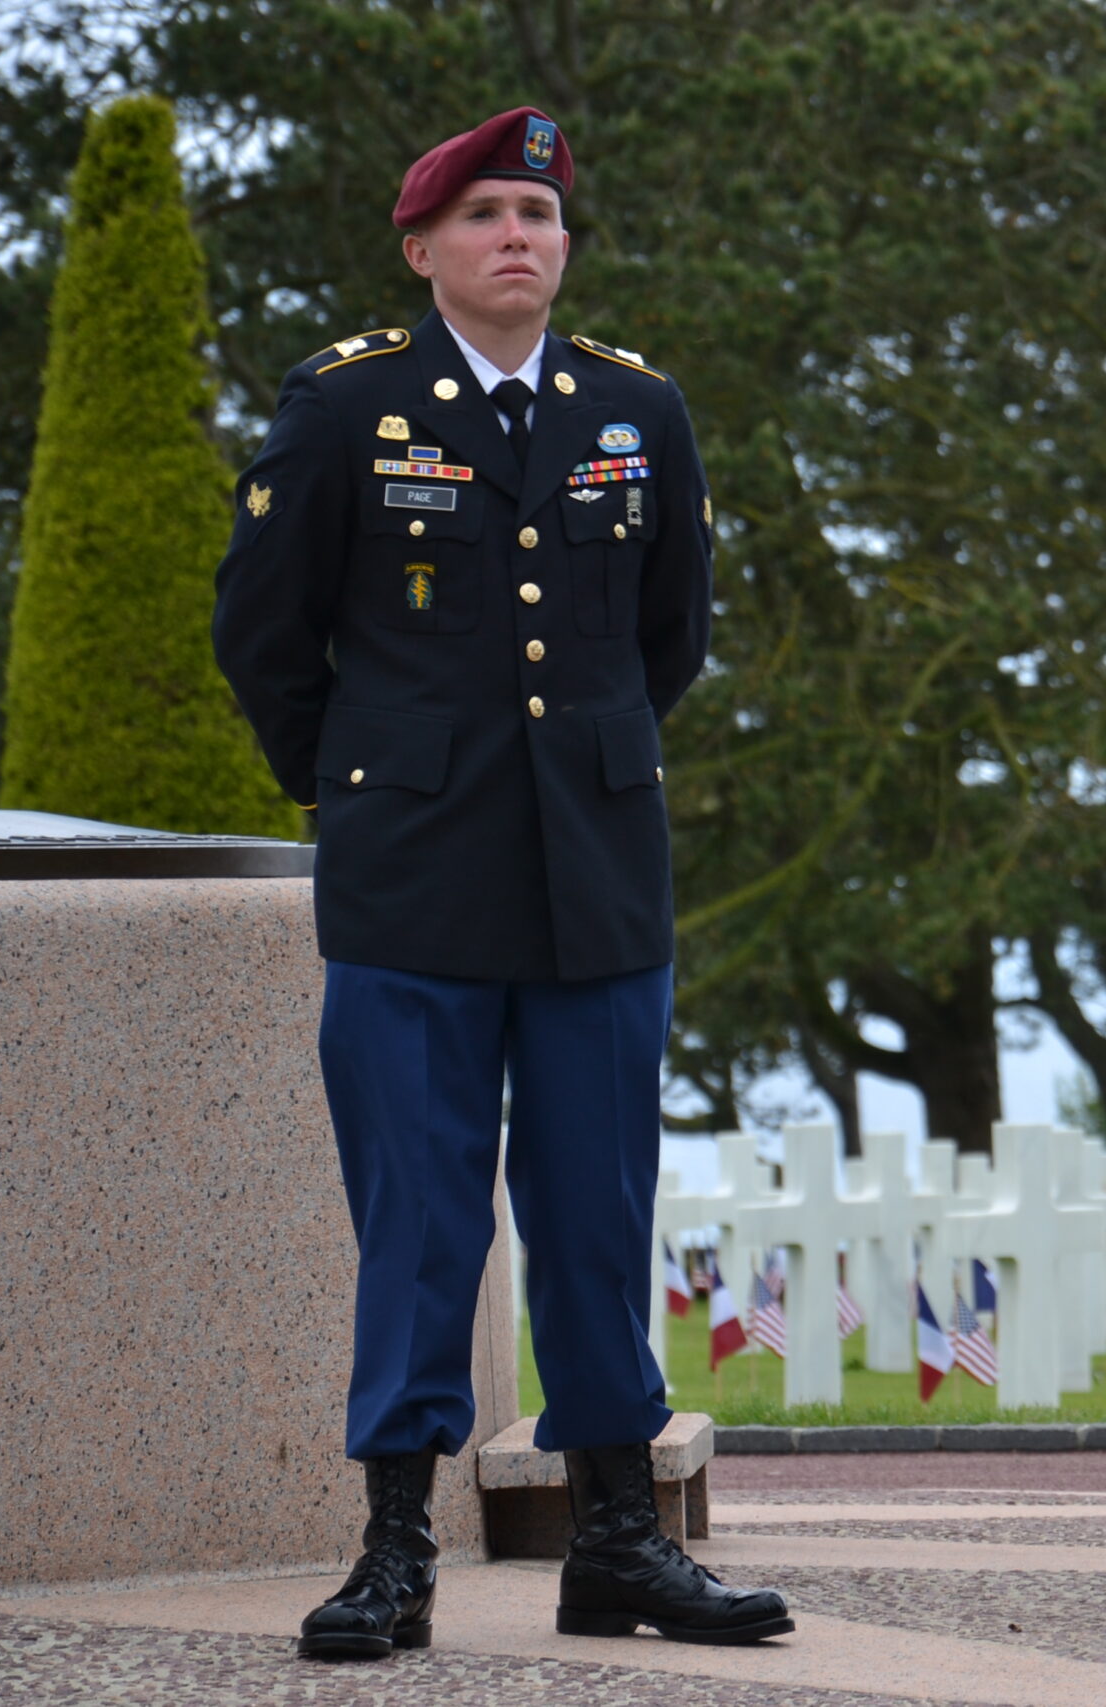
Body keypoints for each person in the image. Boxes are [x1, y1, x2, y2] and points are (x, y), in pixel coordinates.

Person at [214, 105, 791, 1660]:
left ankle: (617, 1543)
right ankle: (397, 1548)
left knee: (598, 1211)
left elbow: (671, 634)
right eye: (481, 215)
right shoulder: (348, 405)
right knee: (420, 1220)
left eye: (536, 214)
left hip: (596, 879)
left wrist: (577, 768)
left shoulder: (638, 408)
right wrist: (356, 780)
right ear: (422, 250)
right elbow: (262, 630)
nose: (515, 237)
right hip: (412, 879)